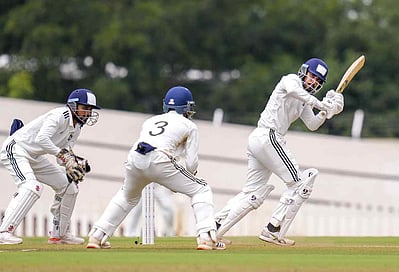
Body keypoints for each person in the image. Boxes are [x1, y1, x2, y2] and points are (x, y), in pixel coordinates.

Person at [214, 58, 344, 246]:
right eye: (312, 76)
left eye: (318, 81)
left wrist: (328, 110)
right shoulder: (290, 80)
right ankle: (272, 229)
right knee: (300, 184)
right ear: (304, 72)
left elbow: (313, 125)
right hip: (269, 136)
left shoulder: (304, 102)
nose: (313, 82)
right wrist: (322, 105)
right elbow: (294, 91)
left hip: (262, 140)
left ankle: (215, 225)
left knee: (250, 192)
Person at [86, 86, 224, 250]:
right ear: (186, 107)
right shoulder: (189, 125)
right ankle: (206, 237)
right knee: (201, 189)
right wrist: (186, 179)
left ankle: (97, 235)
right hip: (159, 159)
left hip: (135, 157)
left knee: (126, 197)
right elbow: (191, 163)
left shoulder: (150, 120)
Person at [0, 88, 100, 245]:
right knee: (32, 186)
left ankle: (59, 234)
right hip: (15, 149)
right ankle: (4, 232)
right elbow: (42, 139)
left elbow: (63, 155)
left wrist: (72, 163)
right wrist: (64, 156)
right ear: (73, 106)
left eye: (90, 110)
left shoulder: (77, 128)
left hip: (34, 156)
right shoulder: (59, 115)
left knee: (69, 187)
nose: (88, 113)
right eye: (85, 108)